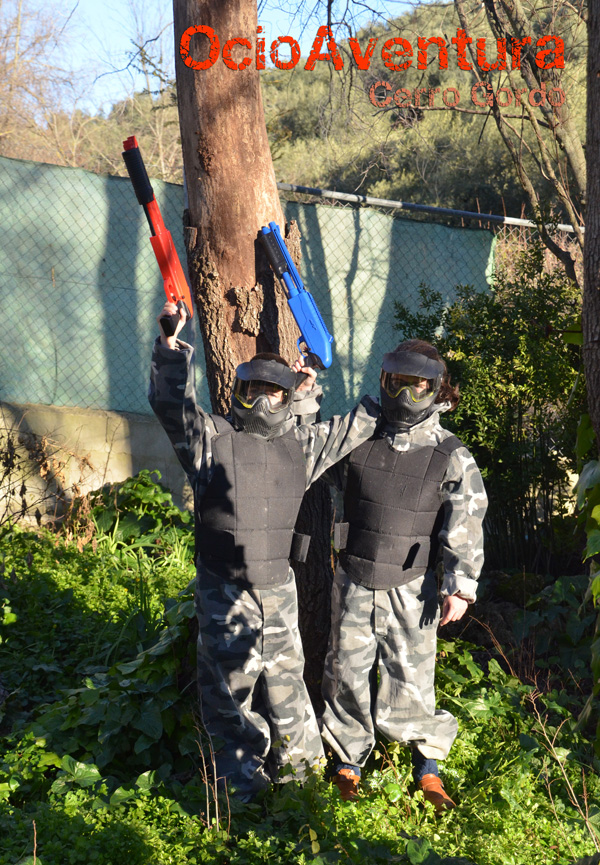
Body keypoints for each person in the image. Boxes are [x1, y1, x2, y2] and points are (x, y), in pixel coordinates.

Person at [148, 300, 381, 801]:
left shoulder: (302, 445)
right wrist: (169, 346)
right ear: (238, 391)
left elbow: (357, 425)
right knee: (229, 696)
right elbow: (174, 409)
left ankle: (301, 788)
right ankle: (239, 790)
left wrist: (320, 374)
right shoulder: (212, 438)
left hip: (278, 589)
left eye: (272, 391)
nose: (260, 399)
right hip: (223, 590)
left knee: (287, 686)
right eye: (251, 389)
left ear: (285, 396)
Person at [320, 338, 488, 810]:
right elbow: (308, 460)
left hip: (414, 589)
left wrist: (462, 586)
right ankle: (347, 762)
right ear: (384, 381)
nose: (407, 395)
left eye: (418, 386)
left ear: (437, 390)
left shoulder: (450, 453)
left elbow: (467, 519)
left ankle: (427, 769)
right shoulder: (356, 435)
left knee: (411, 678)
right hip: (353, 576)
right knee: (346, 674)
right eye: (398, 383)